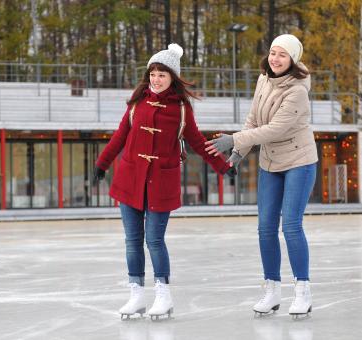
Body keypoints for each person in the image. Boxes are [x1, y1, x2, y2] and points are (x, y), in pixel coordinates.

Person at [94, 43, 233, 320]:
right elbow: (119, 137)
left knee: (155, 241)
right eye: (153, 73)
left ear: (172, 78)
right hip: (130, 180)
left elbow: (196, 141)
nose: (156, 79)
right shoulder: (136, 104)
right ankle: (136, 295)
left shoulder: (181, 110)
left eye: (162, 74)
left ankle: (163, 295)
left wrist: (222, 166)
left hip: (160, 183)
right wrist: (101, 164)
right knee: (132, 241)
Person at [205, 34, 318, 318]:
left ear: (292, 60)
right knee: (265, 228)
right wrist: (238, 152)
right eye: (272, 52)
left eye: (282, 54)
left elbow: (275, 130)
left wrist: (234, 139)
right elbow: (254, 120)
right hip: (270, 162)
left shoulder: (297, 91)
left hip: (299, 161)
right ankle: (272, 289)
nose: (275, 59)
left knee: (291, 225)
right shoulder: (263, 79)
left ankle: (302, 291)